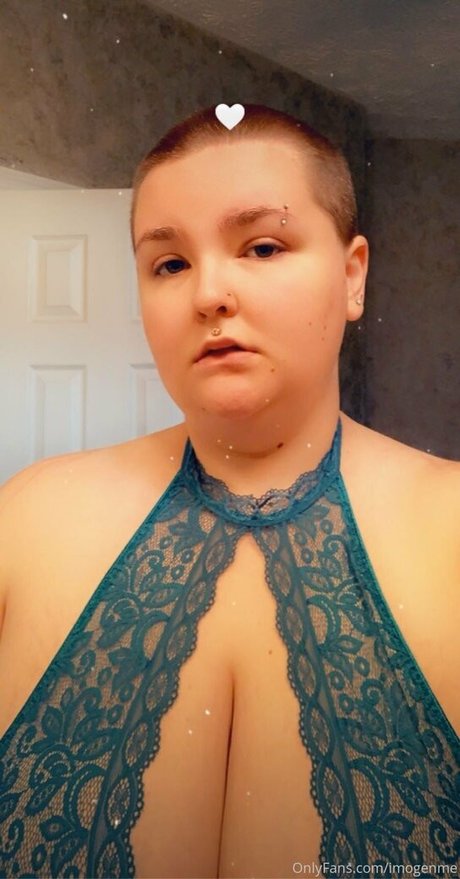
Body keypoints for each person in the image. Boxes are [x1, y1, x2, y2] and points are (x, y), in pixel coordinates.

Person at [0, 103, 458, 879]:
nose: (208, 292)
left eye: (263, 246)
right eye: (169, 263)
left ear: (353, 276)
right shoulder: (27, 519)